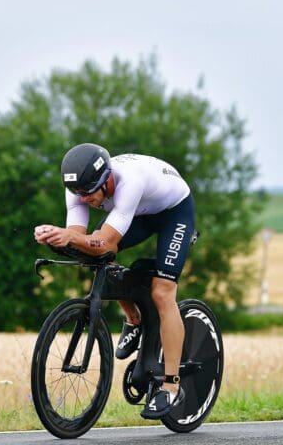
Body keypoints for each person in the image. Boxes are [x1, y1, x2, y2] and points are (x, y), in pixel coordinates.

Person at [34, 143, 196, 419]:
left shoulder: (129, 182)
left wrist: (74, 238)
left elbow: (105, 241)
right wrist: (57, 238)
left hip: (173, 213)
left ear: (106, 179)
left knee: (161, 292)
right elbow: (83, 241)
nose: (83, 200)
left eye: (88, 194)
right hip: (140, 213)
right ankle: (134, 319)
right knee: (100, 259)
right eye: (78, 194)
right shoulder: (78, 188)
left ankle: (171, 385)